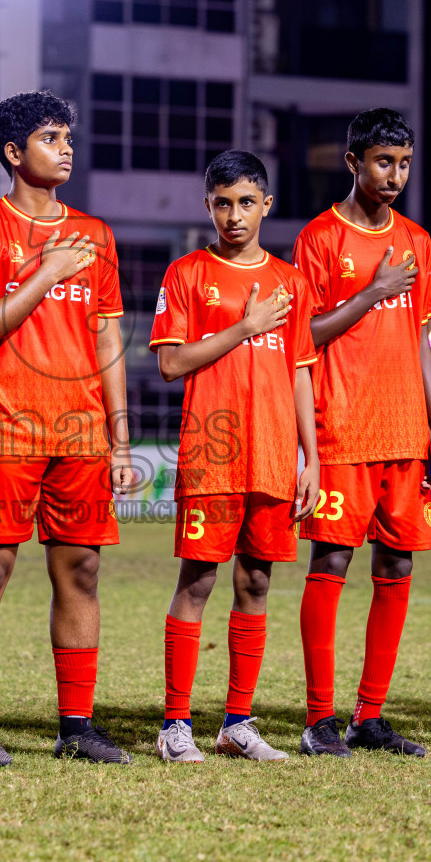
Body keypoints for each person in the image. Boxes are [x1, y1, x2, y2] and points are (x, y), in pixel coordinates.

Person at [0, 90, 132, 765]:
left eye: (68, 136)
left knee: (80, 571)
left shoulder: (97, 234)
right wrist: (49, 268)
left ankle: (77, 728)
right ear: (14, 152)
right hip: (4, 424)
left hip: (80, 433)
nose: (67, 148)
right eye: (52, 138)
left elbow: (108, 335)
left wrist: (118, 432)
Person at [151, 150, 319, 763]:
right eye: (222, 203)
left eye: (246, 202)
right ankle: (175, 726)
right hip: (211, 453)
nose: (234, 214)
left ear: (266, 205)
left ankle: (238, 722)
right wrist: (243, 328)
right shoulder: (187, 274)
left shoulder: (291, 280)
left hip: (274, 456)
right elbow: (171, 364)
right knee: (197, 581)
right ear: (207, 207)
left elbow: (301, 372)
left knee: (256, 582)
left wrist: (313, 459)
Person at [291, 109, 431, 758]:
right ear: (353, 162)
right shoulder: (319, 238)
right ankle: (320, 719)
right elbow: (306, 335)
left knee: (399, 562)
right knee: (330, 562)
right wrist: (373, 290)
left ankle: (370, 716)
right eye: (384, 161)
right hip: (341, 426)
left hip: (405, 429)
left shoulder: (416, 238)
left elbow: (420, 337)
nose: (396, 175)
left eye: (405, 163)